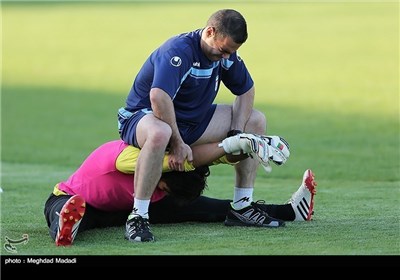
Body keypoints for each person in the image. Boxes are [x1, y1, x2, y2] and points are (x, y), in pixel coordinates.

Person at [117, 9, 291, 242]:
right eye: (224, 50)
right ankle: (138, 217)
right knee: (161, 133)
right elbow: (158, 97)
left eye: (232, 52)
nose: (227, 57)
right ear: (210, 32)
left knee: (256, 121)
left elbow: (246, 90)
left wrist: (236, 133)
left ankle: (242, 207)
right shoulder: (179, 51)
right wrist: (177, 143)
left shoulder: (225, 55)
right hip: (144, 117)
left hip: (191, 120)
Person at [44, 138, 317, 246]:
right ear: (162, 174)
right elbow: (163, 165)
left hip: (132, 209)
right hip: (83, 201)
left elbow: (200, 161)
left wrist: (242, 147)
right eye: (161, 184)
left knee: (213, 208)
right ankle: (65, 226)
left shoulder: (170, 180)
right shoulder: (127, 157)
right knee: (70, 210)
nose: (158, 187)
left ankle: (292, 211)